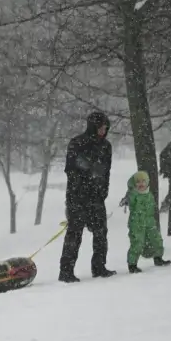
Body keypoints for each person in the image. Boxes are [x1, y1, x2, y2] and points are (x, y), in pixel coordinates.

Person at [59, 111, 116, 282]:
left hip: (97, 198)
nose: (103, 131)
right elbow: (70, 169)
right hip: (77, 197)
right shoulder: (77, 143)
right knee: (74, 234)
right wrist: (85, 181)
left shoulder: (106, 147)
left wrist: (103, 191)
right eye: (101, 127)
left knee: (101, 233)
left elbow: (106, 172)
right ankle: (66, 272)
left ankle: (99, 267)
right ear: (93, 127)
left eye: (105, 128)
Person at [120, 171, 171, 273]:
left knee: (156, 239)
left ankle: (158, 257)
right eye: (138, 182)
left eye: (143, 181)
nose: (141, 184)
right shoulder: (133, 194)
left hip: (149, 221)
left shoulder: (149, 194)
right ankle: (132, 264)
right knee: (137, 242)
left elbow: (151, 208)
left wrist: (152, 221)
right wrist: (131, 191)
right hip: (137, 223)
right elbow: (131, 201)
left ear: (147, 182)